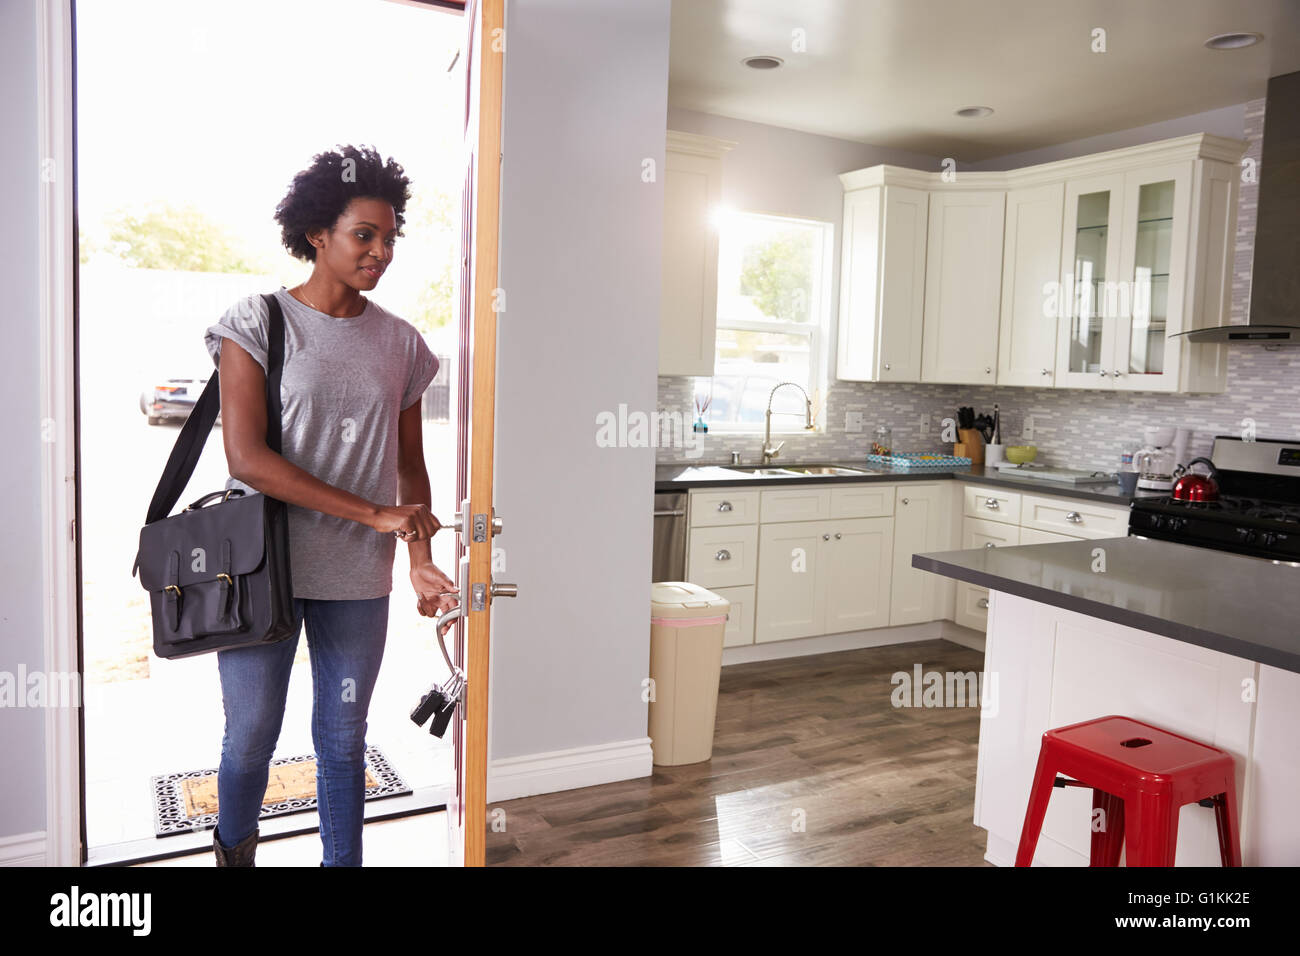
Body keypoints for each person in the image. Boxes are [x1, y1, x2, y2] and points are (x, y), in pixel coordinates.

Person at [202, 144, 458, 867]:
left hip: (356, 579)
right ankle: (233, 855)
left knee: (343, 739)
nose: (381, 252)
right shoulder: (256, 322)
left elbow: (409, 463)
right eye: (364, 235)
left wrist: (419, 558)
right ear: (318, 233)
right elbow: (246, 458)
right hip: (263, 570)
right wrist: (371, 513)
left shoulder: (402, 344)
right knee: (251, 733)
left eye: (390, 238)